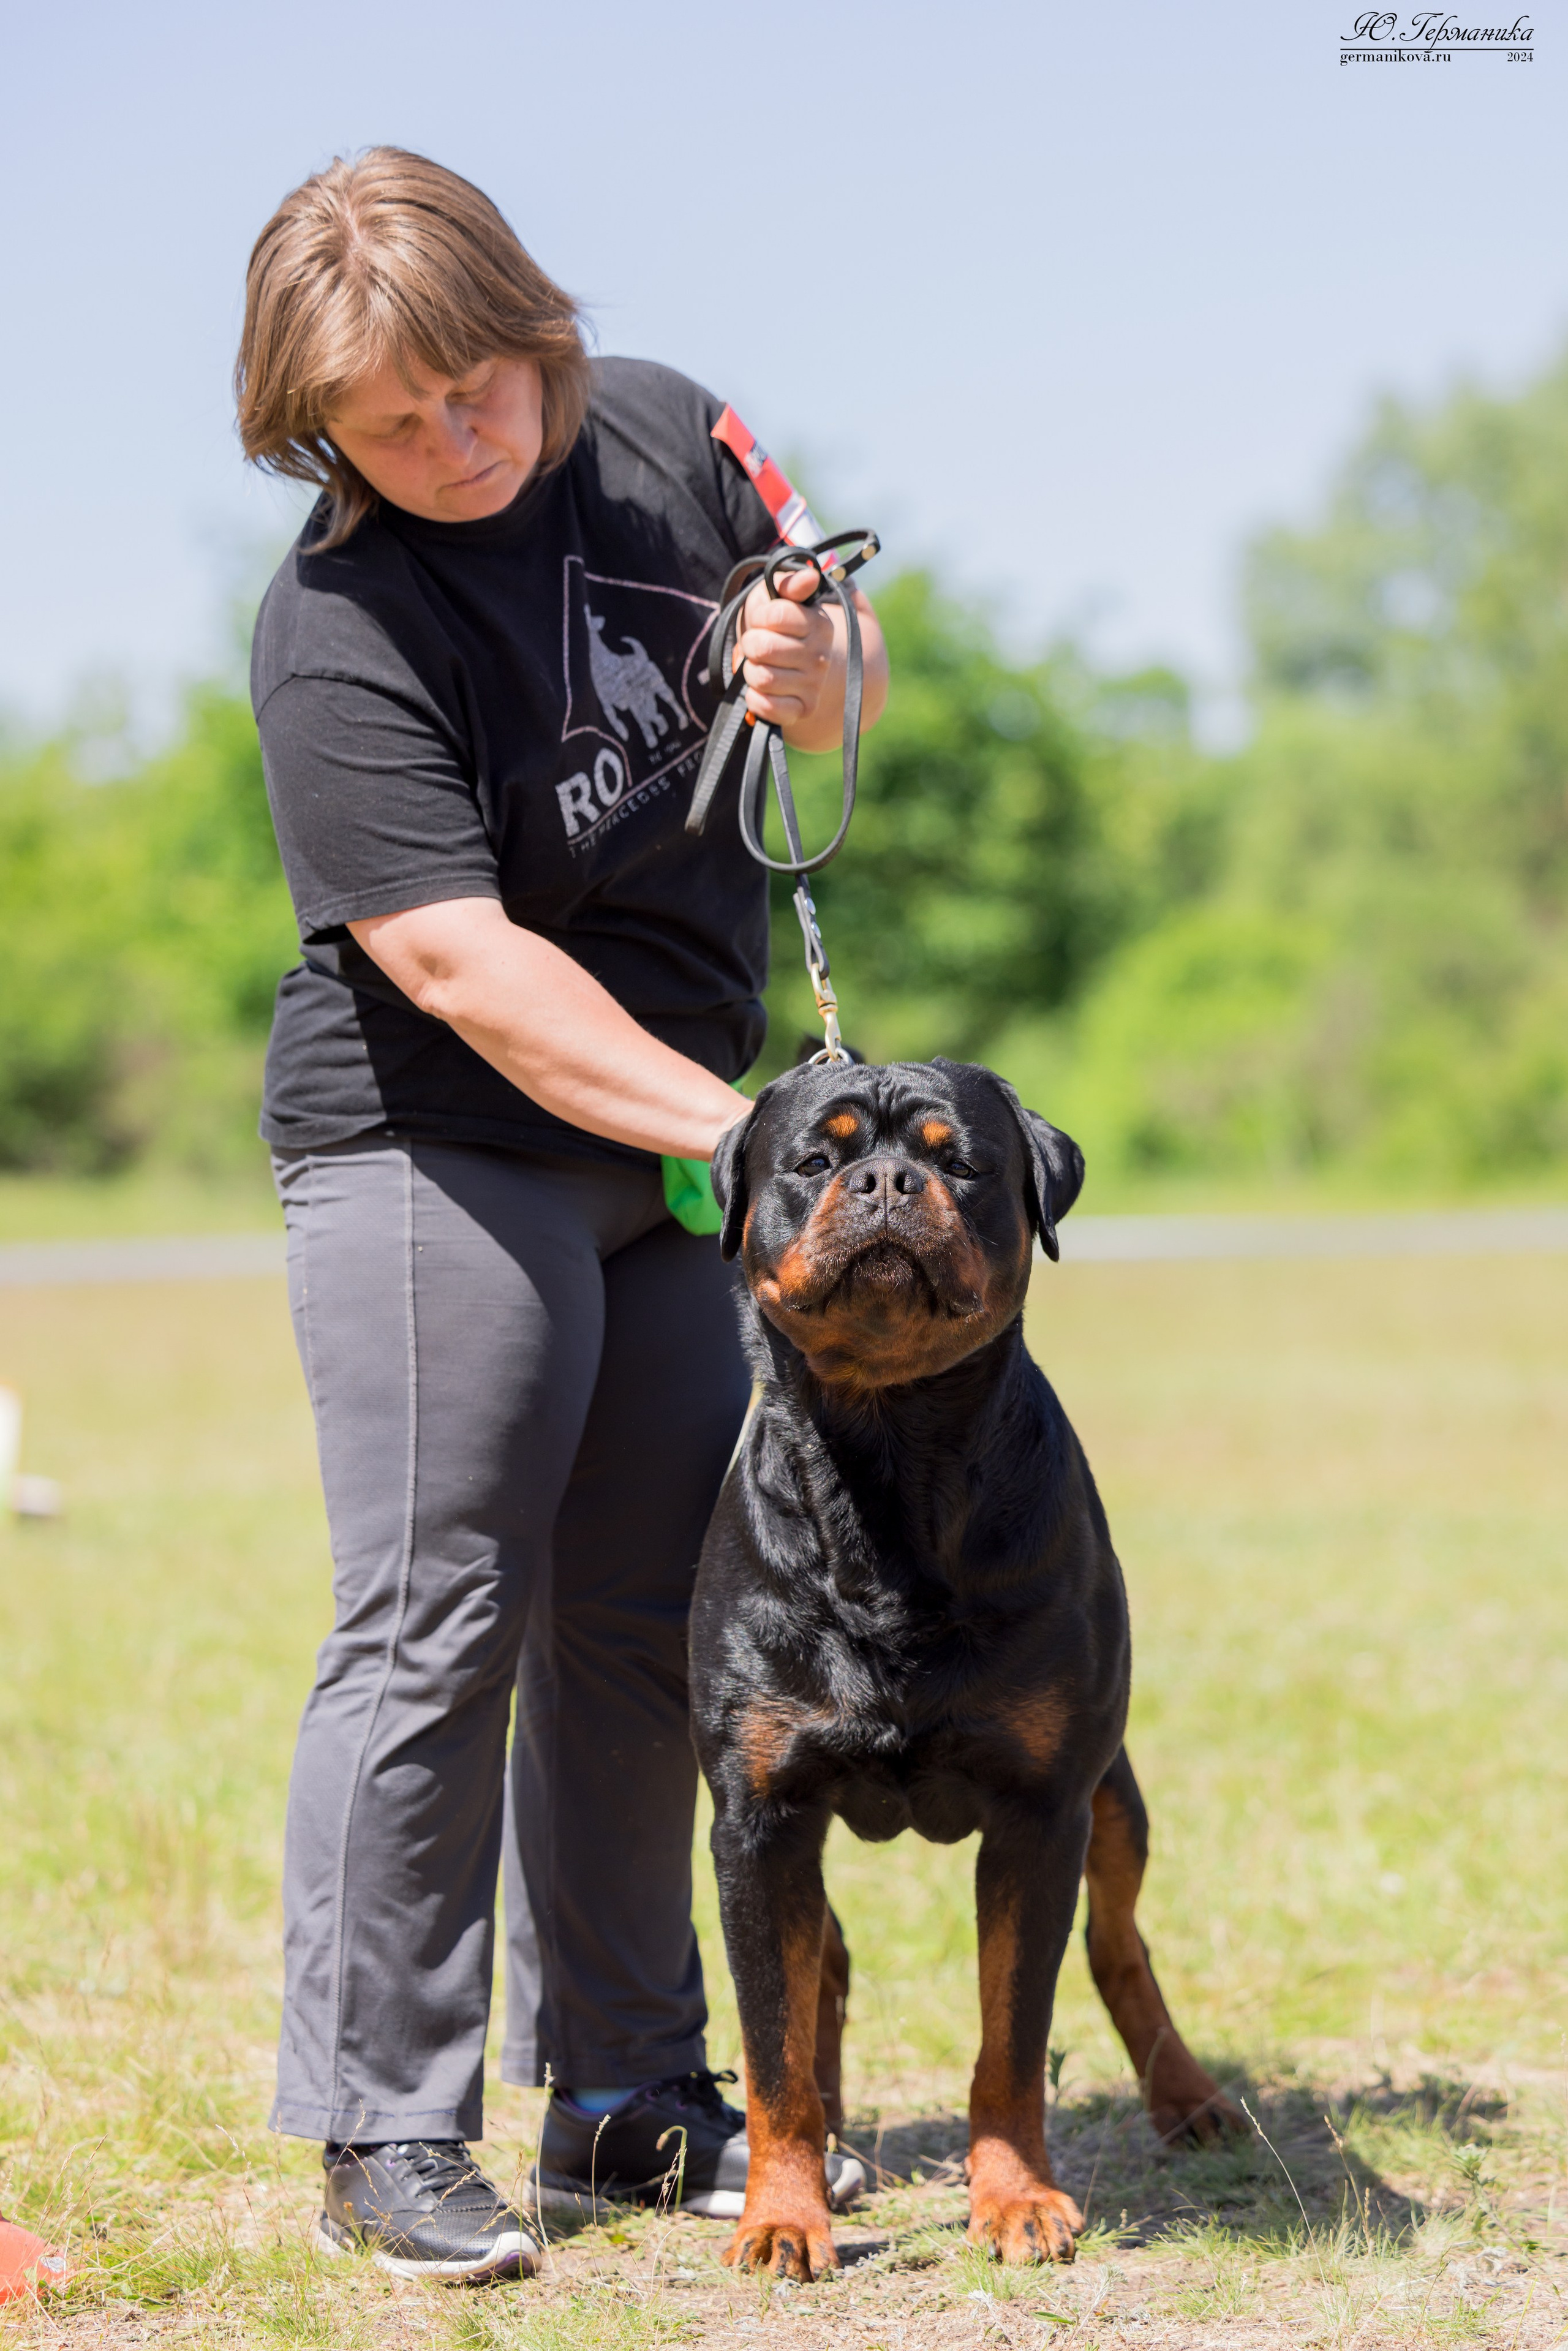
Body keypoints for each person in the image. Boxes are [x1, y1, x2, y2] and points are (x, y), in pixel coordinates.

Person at [235, 148, 888, 2283]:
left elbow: (839, 653)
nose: (451, 447)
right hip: (442, 1139)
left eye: (475, 394)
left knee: (651, 1625)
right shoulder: (335, 628)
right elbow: (456, 963)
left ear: (537, 333)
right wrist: (752, 1141)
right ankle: (381, 2130)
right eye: (388, 427)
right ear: (314, 430)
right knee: (440, 1613)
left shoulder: (666, 434)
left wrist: (825, 679)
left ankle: (625, 2092)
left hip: (676, 1136)